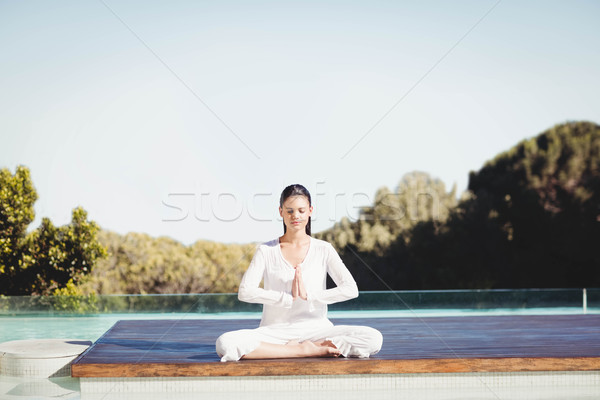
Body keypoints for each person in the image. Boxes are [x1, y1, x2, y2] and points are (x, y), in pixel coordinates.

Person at [215, 184, 383, 361]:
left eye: (301, 210)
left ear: (310, 211)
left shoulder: (324, 249)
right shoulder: (266, 250)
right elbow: (245, 292)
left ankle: (294, 349)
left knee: (373, 339)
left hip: (318, 331)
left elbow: (350, 289)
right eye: (290, 211)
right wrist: (285, 298)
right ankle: (307, 350)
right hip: (274, 333)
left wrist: (309, 296)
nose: (296, 216)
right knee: (225, 343)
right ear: (281, 212)